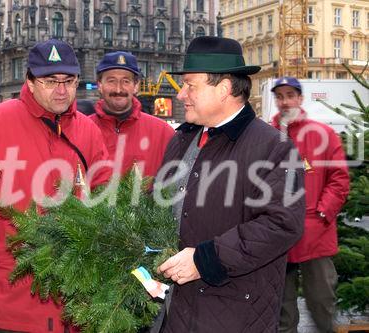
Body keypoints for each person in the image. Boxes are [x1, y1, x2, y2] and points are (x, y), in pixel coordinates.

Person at [0, 39, 110, 332]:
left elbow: (104, 189)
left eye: (69, 81)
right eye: (51, 81)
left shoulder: (87, 129)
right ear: (29, 81)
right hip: (17, 291)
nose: (62, 90)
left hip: (75, 292)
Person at [155, 36, 306, 332]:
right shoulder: (182, 139)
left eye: (190, 85)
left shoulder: (274, 148)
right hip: (174, 312)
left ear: (224, 89)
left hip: (232, 315)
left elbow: (281, 224)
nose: (181, 94)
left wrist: (204, 259)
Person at [271, 77, 350, 333]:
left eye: (290, 95)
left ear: (300, 99)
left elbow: (339, 179)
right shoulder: (267, 136)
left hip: (315, 234)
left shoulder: (323, 134)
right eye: (280, 96)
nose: (285, 101)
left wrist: (323, 213)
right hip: (278, 234)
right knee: (283, 309)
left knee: (322, 302)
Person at [90, 51, 174, 177]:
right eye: (111, 81)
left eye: (126, 81)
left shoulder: (164, 133)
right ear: (100, 85)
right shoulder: (83, 130)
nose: (118, 89)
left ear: (136, 86)